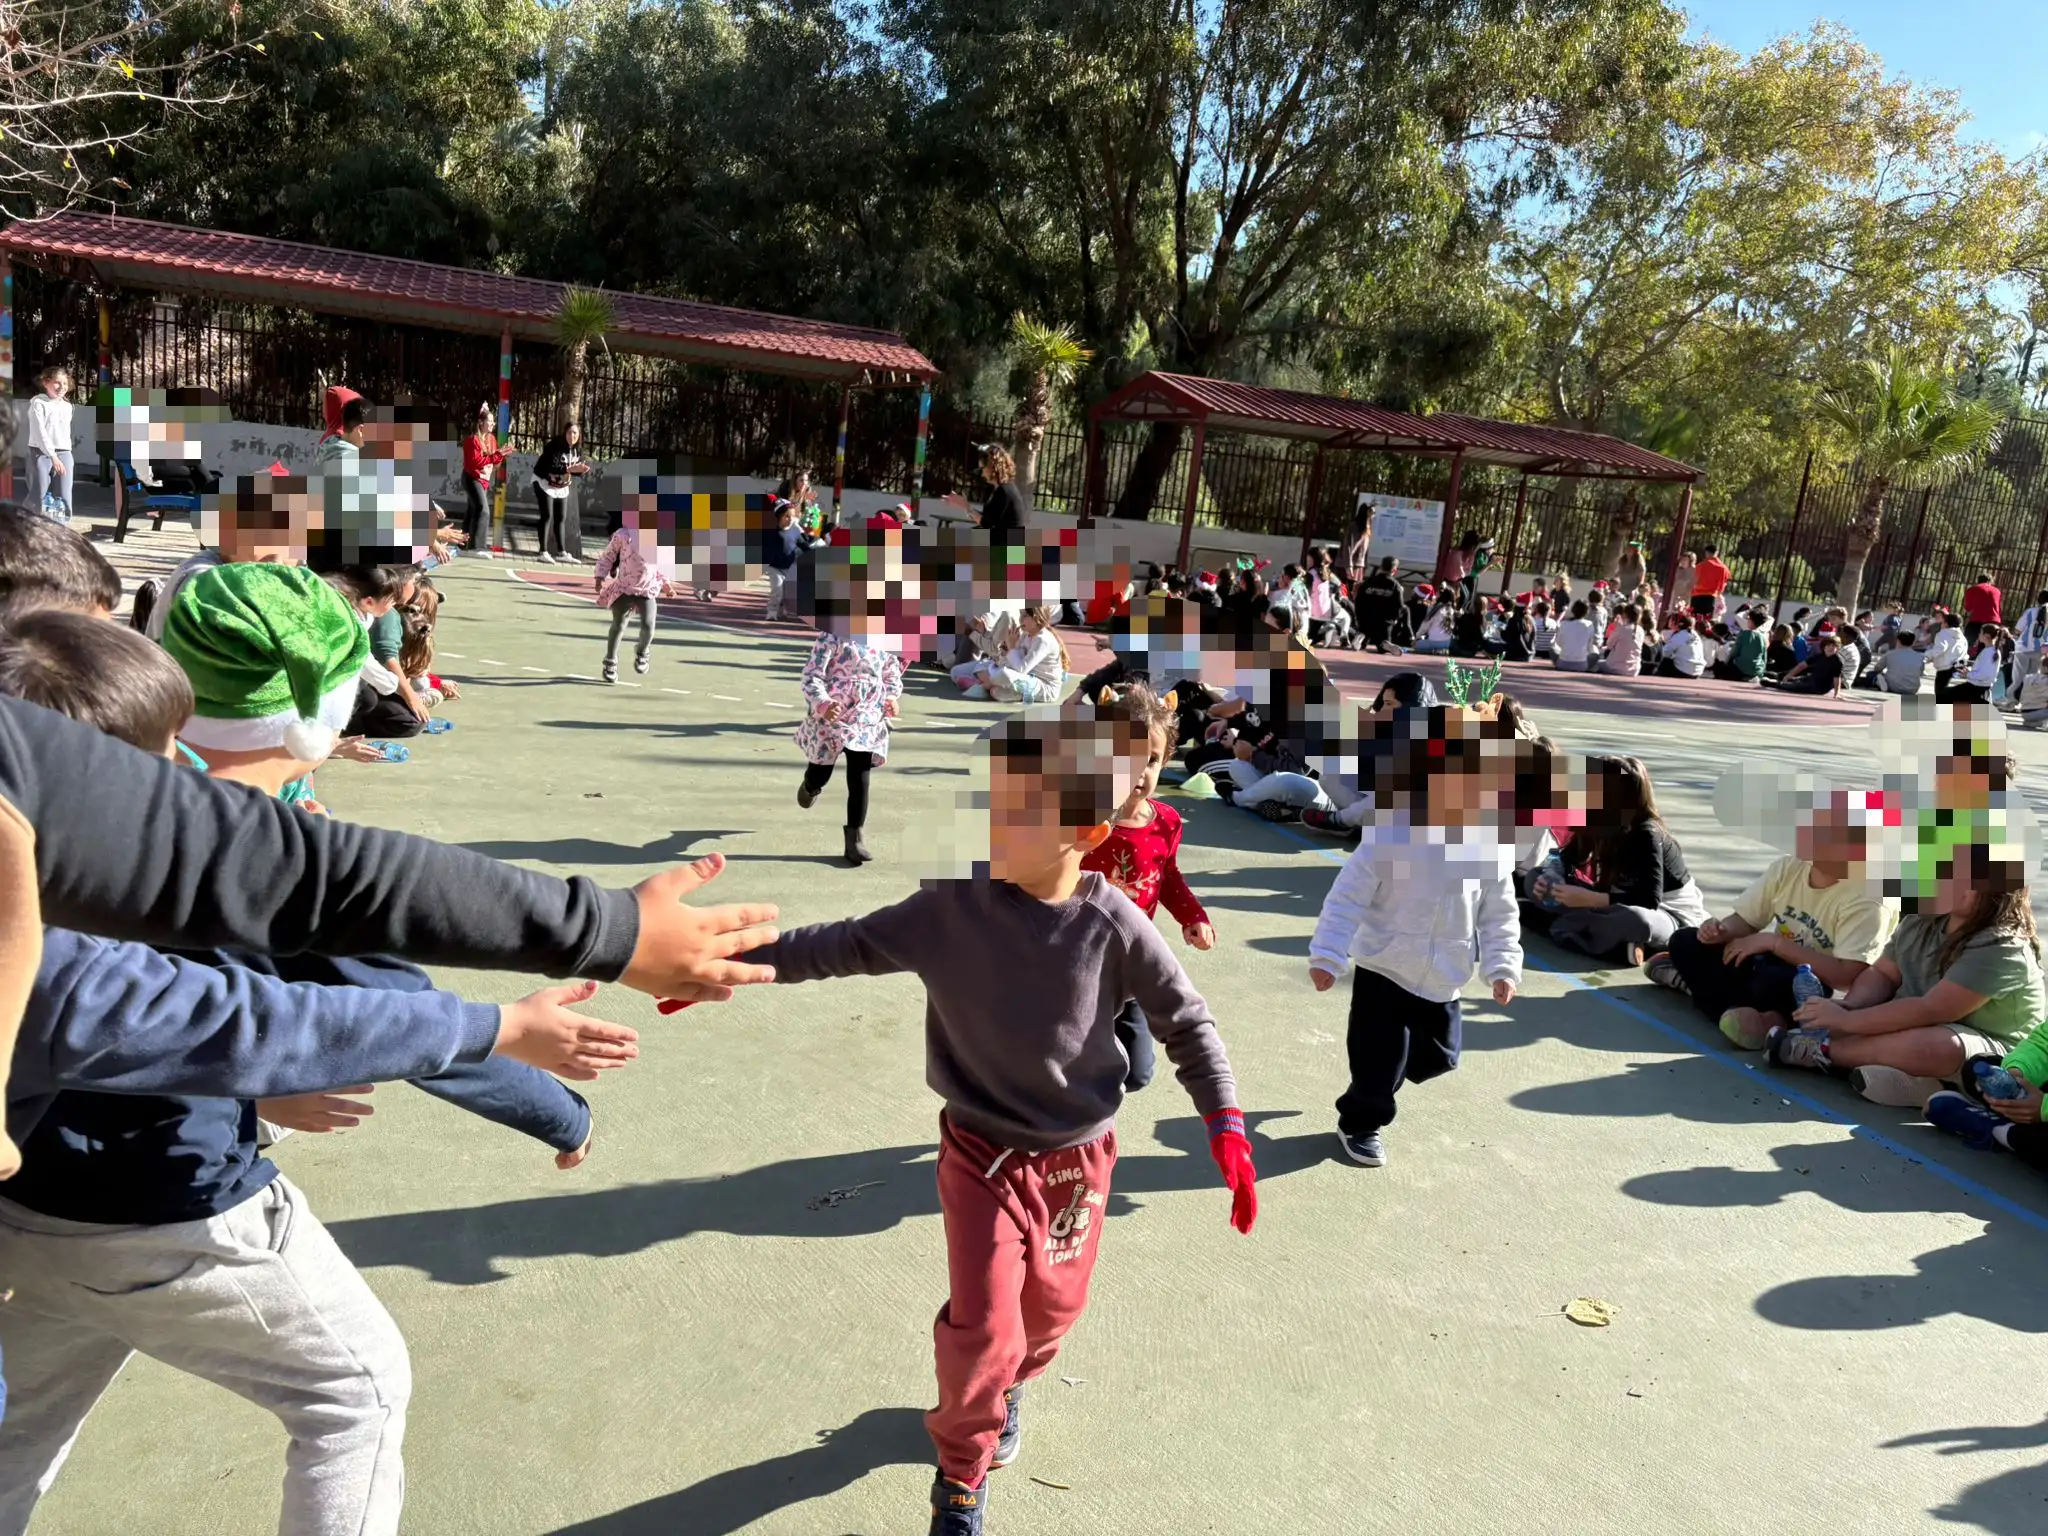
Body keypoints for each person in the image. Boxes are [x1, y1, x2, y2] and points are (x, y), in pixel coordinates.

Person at [745, 711, 1254, 1535]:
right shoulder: (952, 904)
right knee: (984, 1328)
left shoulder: (1113, 923)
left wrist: (1224, 1120)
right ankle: (961, 1477)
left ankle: (1011, 1385)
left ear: (1084, 833)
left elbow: (1186, 1022)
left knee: (1048, 1319)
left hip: (1076, 1162)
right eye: (991, 801)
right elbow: (843, 944)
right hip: (980, 1154)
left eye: (1019, 812)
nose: (990, 824)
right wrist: (734, 964)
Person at [1308, 707, 1522, 1167]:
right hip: (1384, 966)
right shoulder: (1391, 834)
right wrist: (1327, 954)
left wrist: (1502, 964)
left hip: (1445, 975)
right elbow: (1347, 898)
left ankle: (1388, 1076)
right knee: (1379, 1060)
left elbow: (1500, 911)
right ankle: (1360, 1122)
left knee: (1440, 1057)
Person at [1774, 841, 2045, 1103]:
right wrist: (1850, 1006)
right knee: (1849, 1018)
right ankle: (1918, 1083)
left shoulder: (2002, 946)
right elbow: (1883, 974)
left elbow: (1932, 1010)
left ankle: (1826, 1052)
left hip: (1993, 1055)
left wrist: (1846, 1023)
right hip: (1914, 1026)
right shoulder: (1923, 916)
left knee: (1941, 1045)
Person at [1645, 791, 1896, 1051]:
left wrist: (1775, 943)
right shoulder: (1790, 868)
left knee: (1771, 983)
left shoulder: (1870, 898)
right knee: (1685, 941)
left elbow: (1845, 976)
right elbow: (1746, 921)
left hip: (1812, 984)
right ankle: (1753, 1015)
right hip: (1766, 962)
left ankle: (1720, 999)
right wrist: (1720, 931)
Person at [1080, 684, 1215, 1092]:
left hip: (1131, 961)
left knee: (1137, 1072)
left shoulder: (1166, 821)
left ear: (1165, 759)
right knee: (1066, 1048)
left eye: (1151, 760)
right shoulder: (1080, 814)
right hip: (1075, 956)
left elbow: (1167, 875)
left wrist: (1193, 916)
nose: (1138, 771)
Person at [1522, 755, 1707, 965]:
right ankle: (1599, 937)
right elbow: (1568, 861)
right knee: (1533, 877)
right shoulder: (1594, 821)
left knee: (1637, 920)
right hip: (1606, 904)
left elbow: (1649, 901)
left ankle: (1555, 926)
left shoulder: (1647, 833)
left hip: (1665, 914)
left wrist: (1591, 899)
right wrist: (1551, 877)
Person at [795, 611, 906, 866]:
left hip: (866, 718)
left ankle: (854, 838)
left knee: (860, 777)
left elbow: (891, 673)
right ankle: (811, 784)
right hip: (832, 719)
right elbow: (812, 675)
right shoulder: (832, 635)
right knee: (820, 772)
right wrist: (823, 702)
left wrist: (891, 697)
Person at [592, 523, 668, 683]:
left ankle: (642, 651)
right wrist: (600, 576)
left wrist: (666, 584)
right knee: (619, 624)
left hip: (647, 590)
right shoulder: (623, 535)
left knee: (649, 625)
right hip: (624, 589)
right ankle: (610, 661)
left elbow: (662, 564)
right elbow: (608, 556)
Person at [951, 604, 1066, 704]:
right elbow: (1011, 663)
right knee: (956, 671)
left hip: (1042, 685)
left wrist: (1011, 647)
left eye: (1025, 615)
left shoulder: (1042, 640)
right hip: (1022, 676)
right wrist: (1001, 657)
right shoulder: (1026, 635)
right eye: (1021, 614)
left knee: (1005, 674)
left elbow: (1021, 669)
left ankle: (983, 685)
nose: (1021, 619)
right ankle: (998, 689)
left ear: (1036, 617)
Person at [532, 421, 593, 564]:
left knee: (560, 517)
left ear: (579, 435)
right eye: (569, 432)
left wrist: (581, 470)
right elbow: (552, 466)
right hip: (543, 482)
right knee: (547, 515)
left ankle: (561, 552)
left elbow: (576, 469)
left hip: (561, 486)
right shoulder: (554, 446)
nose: (572, 436)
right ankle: (543, 552)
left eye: (575, 433)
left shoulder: (578, 450)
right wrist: (569, 470)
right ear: (564, 433)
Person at [23, 367, 73, 524]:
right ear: (46, 383)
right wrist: (53, 456)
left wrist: (60, 456)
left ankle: (61, 525)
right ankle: (26, 520)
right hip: (41, 452)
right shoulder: (38, 403)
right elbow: (40, 433)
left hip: (64, 452)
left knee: (64, 494)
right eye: (57, 382)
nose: (62, 387)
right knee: (40, 491)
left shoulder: (67, 406)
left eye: (65, 383)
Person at [460, 403, 505, 557]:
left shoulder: (491, 439)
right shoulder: (472, 440)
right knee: (483, 510)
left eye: (493, 421)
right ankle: (477, 547)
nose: (493, 424)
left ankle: (462, 545)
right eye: (489, 421)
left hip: (483, 480)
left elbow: (494, 461)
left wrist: (501, 455)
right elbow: (475, 462)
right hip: (472, 478)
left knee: (472, 511)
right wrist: (495, 456)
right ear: (481, 423)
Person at [1765, 631, 1844, 696]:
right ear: (1824, 647)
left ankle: (1774, 684)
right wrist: (1788, 675)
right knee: (1794, 679)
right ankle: (1776, 676)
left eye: (1834, 646)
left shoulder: (1837, 661)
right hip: (1811, 679)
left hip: (1819, 687)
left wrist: (1836, 693)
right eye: (1828, 645)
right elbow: (1802, 665)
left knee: (1796, 686)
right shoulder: (1819, 656)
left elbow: (1837, 678)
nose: (1831, 648)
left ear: (1837, 648)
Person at [762, 498, 803, 621]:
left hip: (790, 567)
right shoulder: (770, 532)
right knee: (777, 589)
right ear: (778, 517)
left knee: (788, 592)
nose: (790, 519)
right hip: (774, 567)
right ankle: (772, 611)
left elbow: (804, 544)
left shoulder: (795, 530)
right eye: (786, 516)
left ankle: (782, 609)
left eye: (792, 516)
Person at [974, 445, 1028, 536]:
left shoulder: (1004, 491)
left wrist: (966, 507)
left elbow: (987, 523)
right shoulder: (1003, 488)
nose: (982, 474)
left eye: (982, 469)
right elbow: (988, 518)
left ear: (992, 467)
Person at [1354, 557, 1405, 651]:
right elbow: (1399, 606)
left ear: (1381, 567)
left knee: (1363, 642)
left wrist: (1358, 617)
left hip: (1366, 619)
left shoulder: (1368, 582)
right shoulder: (1395, 585)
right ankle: (1383, 643)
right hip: (1384, 622)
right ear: (1394, 570)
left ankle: (1361, 637)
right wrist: (1394, 619)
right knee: (1382, 649)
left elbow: (1358, 601)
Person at [1951, 624, 2004, 705]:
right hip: (1976, 688)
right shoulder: (1988, 650)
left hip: (1979, 690)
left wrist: (1968, 674)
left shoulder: (1991, 652)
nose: (1978, 635)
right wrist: (1969, 670)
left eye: (1980, 632)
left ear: (1987, 635)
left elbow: (1984, 675)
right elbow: (1982, 669)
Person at [1712, 609, 1768, 682]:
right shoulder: (1763, 637)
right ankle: (1750, 677)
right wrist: (1762, 672)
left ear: (1751, 621)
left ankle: (1743, 677)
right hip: (1757, 669)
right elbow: (1764, 656)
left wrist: (1727, 663)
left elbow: (1734, 652)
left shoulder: (1744, 634)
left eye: (1748, 619)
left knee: (1719, 669)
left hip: (1741, 668)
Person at [1924, 610, 1967, 700]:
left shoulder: (1943, 634)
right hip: (1958, 667)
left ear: (1946, 624)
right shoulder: (1963, 638)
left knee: (1940, 694)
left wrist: (1926, 656)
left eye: (1942, 622)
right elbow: (1964, 653)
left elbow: (1940, 648)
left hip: (1944, 668)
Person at [2012, 589, 2048, 690]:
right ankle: (2026, 697)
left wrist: (2015, 641)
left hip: (2022, 649)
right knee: (2032, 678)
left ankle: (2013, 697)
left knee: (2018, 679)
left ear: (2038, 599)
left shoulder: (2030, 611)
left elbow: (2018, 630)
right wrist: (2045, 653)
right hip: (2039, 651)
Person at [1653, 611, 1707, 678]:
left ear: (1678, 624)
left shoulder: (1679, 635)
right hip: (1698, 671)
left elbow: (1665, 652)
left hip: (1684, 671)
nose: (1670, 621)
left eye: (1672, 620)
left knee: (1664, 661)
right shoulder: (1694, 634)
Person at [1598, 602, 1643, 676]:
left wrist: (1616, 627)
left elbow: (1609, 645)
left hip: (1616, 667)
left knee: (1595, 663)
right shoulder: (1641, 630)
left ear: (1625, 614)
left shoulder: (1622, 628)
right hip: (1634, 669)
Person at [1551, 599, 1595, 672]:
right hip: (1581, 665)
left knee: (1552, 649)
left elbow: (1558, 643)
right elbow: (1590, 647)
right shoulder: (1589, 625)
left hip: (1562, 663)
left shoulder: (1564, 623)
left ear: (1573, 610)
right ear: (1586, 612)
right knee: (1595, 652)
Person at [1961, 570, 2001, 643]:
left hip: (1977, 621)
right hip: (1994, 622)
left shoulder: (1972, 589)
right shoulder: (1997, 591)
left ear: (1978, 581)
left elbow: (1968, 608)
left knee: (1968, 642)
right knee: (1989, 644)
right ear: (1990, 581)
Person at [1691, 545, 1730, 618]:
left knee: (1694, 618)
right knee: (1706, 619)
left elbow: (1694, 580)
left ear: (1706, 553)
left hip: (1697, 595)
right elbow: (1723, 584)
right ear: (1717, 553)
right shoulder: (1723, 568)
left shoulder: (1700, 565)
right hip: (1711, 596)